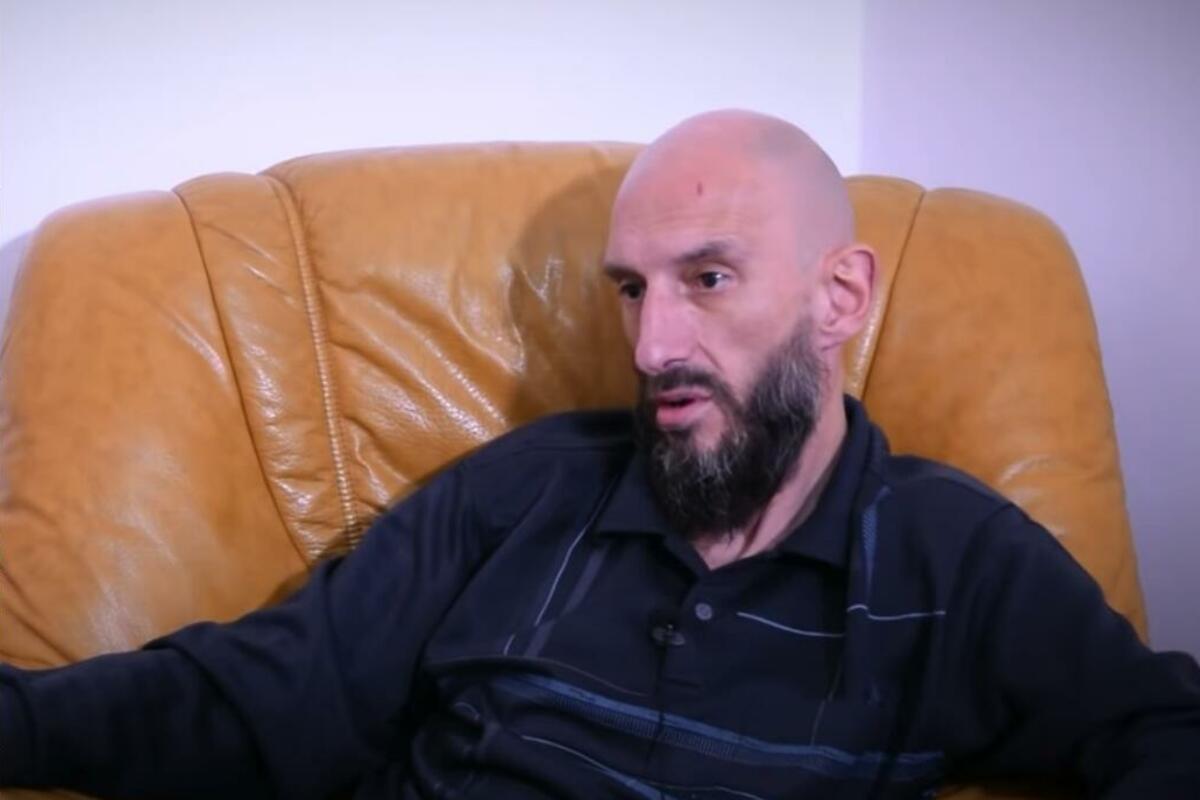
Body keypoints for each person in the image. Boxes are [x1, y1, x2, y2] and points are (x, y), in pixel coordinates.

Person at [1, 110, 1198, 799]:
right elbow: (259, 692)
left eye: (707, 277)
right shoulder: (528, 491)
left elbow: (1159, 728)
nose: (652, 343)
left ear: (839, 298)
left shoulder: (958, 559)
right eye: (631, 287)